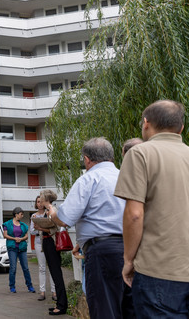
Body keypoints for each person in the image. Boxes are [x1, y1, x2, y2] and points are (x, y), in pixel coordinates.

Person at [115, 100, 189, 317]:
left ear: (146, 123)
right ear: (181, 127)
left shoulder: (140, 154)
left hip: (159, 272)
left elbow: (134, 215)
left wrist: (129, 261)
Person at [48, 137, 134, 319]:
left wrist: (53, 213)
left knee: (105, 309)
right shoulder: (128, 177)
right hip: (132, 248)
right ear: (111, 156)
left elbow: (65, 219)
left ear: (87, 159)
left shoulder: (89, 179)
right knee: (129, 308)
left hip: (102, 252)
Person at [39, 190, 68, 316]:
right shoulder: (48, 210)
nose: (39, 199)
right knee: (54, 273)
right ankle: (60, 304)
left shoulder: (52, 210)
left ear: (45, 198)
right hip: (47, 243)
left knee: (56, 274)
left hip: (51, 243)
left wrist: (40, 228)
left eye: (41, 196)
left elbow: (55, 229)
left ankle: (62, 306)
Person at [30, 196, 57, 301]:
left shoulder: (49, 213)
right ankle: (42, 291)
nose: (39, 204)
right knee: (42, 267)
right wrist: (39, 230)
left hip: (49, 240)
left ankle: (54, 291)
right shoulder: (34, 216)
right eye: (38, 202)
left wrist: (42, 228)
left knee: (51, 267)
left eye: (41, 202)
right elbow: (32, 231)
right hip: (38, 242)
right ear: (36, 204)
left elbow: (53, 227)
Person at [3, 207, 35, 294]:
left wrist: (21, 239)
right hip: (12, 248)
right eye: (21, 214)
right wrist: (14, 238)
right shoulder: (7, 224)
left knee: (26, 268)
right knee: (13, 268)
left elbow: (26, 236)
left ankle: (30, 286)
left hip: (22, 248)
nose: (22, 216)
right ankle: (12, 286)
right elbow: (5, 235)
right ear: (16, 214)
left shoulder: (23, 225)